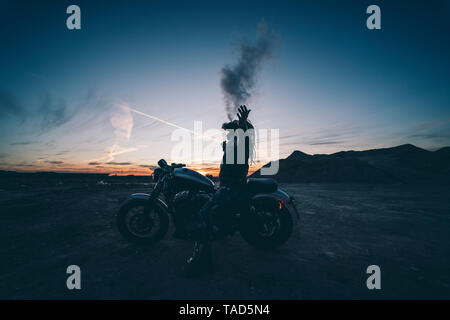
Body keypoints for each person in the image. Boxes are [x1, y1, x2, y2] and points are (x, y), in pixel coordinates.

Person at [183, 105, 254, 277]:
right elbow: (225, 127)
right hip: (227, 186)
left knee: (204, 213)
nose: (229, 134)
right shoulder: (233, 144)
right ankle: (219, 232)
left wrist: (242, 124)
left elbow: (240, 135)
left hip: (233, 188)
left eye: (234, 130)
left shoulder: (243, 142)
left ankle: (205, 262)